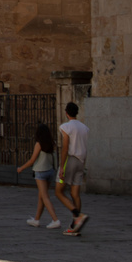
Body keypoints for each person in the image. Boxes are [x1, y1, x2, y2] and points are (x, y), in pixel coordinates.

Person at [55, 100, 90, 235]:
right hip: (81, 162)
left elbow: (65, 147)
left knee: (59, 191)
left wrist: (62, 167)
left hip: (69, 161)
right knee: (75, 193)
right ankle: (76, 226)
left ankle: (77, 216)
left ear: (66, 113)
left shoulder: (66, 127)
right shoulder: (85, 128)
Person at [17, 123, 60, 229]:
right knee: (41, 196)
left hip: (40, 172)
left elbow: (32, 160)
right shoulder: (52, 143)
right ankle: (36, 220)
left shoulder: (39, 144)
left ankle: (55, 220)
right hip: (50, 171)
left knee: (45, 197)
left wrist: (21, 168)